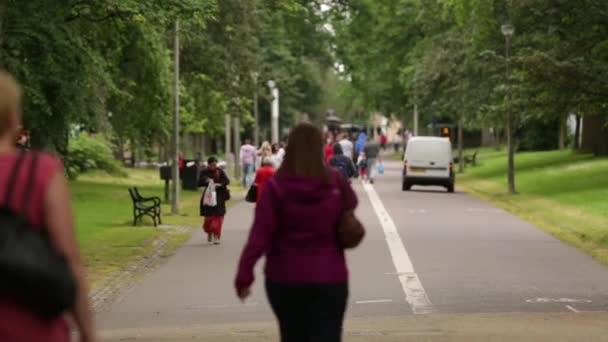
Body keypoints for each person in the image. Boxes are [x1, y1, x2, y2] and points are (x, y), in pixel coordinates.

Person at [235, 123, 358, 342]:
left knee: (292, 334)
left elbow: (260, 235)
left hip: (284, 277)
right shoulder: (335, 180)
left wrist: (245, 275)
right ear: (320, 147)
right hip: (329, 275)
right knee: (328, 334)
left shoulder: (276, 186)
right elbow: (351, 205)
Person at [0, 72, 95, 341]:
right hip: (33, 327)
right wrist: (88, 332)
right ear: (13, 117)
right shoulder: (40, 171)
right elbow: (69, 259)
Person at [198, 157, 231, 245]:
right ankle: (209, 232)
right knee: (208, 218)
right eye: (212, 165)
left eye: (215, 164)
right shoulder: (204, 172)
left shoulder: (220, 171)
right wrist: (207, 180)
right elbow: (199, 183)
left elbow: (227, 181)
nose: (214, 166)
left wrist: (220, 184)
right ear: (208, 164)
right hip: (208, 197)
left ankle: (216, 236)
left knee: (218, 217)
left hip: (219, 196)